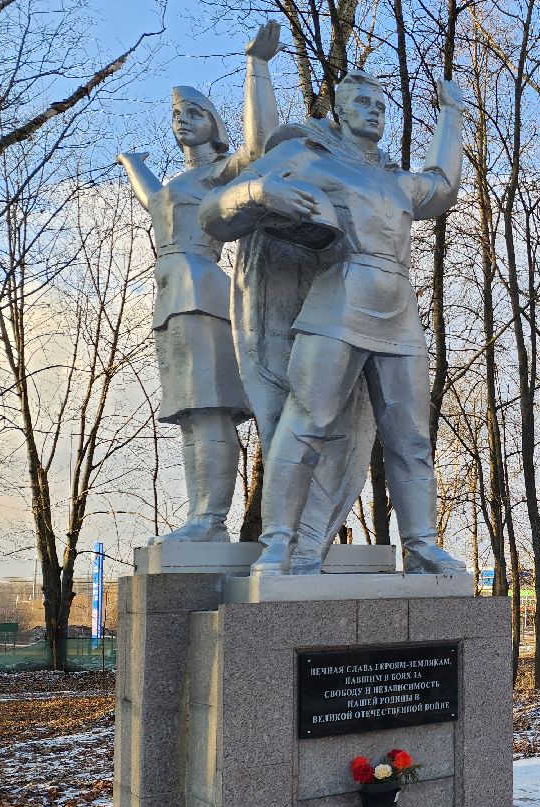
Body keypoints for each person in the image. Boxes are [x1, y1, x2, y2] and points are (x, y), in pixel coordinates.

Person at [199, 69, 466, 576]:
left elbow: (444, 186)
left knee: (410, 436)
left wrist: (451, 114)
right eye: (362, 102)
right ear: (339, 112)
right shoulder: (308, 157)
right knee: (307, 423)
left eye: (381, 105)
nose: (375, 111)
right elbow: (214, 213)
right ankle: (279, 541)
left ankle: (422, 544)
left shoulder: (394, 180)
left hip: (399, 312)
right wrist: (258, 194)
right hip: (337, 301)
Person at [116, 23, 281, 542]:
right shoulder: (176, 183)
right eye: (176, 116)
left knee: (209, 408)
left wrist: (257, 67)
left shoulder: (216, 174)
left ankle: (210, 520)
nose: (182, 123)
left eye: (193, 114)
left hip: (201, 289)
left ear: (213, 124)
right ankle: (199, 517)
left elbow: (258, 148)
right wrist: (133, 165)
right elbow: (155, 202)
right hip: (169, 298)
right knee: (190, 413)